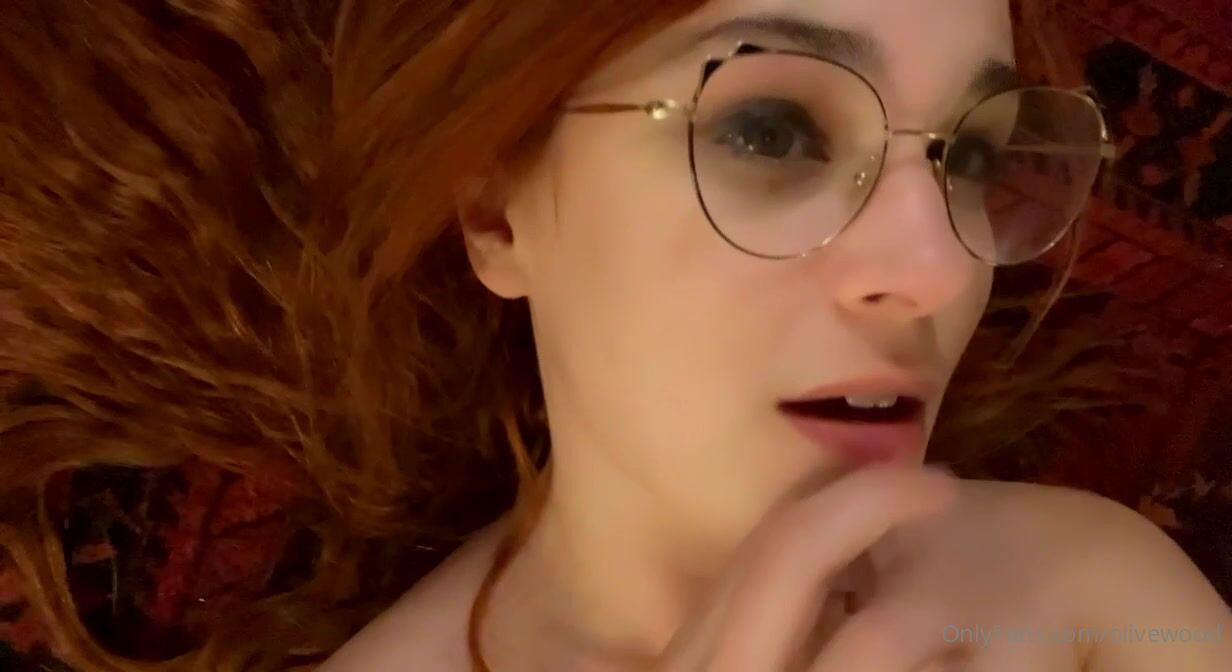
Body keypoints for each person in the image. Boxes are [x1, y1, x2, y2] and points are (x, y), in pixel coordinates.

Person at [0, 1, 1227, 671]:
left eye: (968, 155)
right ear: (497, 210)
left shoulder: (1082, 598)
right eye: (767, 133)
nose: (934, 269)